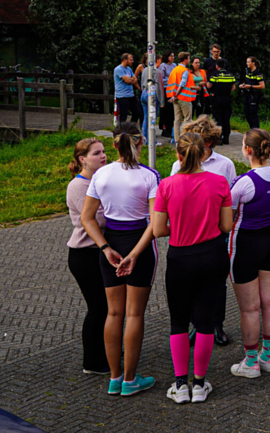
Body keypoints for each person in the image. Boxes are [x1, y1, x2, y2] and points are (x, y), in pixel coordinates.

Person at [152, 132, 232, 404]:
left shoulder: (166, 185)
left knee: (178, 321)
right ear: (203, 154)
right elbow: (226, 226)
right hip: (213, 256)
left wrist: (179, 226)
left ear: (179, 154)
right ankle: (199, 385)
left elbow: (157, 229)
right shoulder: (220, 182)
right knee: (205, 321)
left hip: (180, 258)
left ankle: (180, 385)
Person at [80, 122, 159, 397]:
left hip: (111, 245)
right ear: (141, 142)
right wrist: (134, 254)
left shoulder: (100, 174)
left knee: (113, 313)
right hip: (140, 246)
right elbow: (155, 223)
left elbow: (87, 218)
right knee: (134, 314)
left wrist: (105, 248)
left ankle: (115, 378)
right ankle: (130, 380)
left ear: (114, 145)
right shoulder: (149, 175)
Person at [170, 115, 237, 346]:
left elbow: (230, 201)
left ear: (209, 142)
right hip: (188, 230)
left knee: (217, 282)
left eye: (199, 140)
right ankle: (196, 325)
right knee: (189, 283)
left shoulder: (225, 165)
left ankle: (216, 324)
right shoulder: (177, 166)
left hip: (216, 230)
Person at [228, 129, 270, 379]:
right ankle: (268, 356)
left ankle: (251, 362)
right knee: (269, 302)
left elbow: (226, 218)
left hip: (246, 245)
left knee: (250, 308)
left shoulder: (244, 182)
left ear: (248, 150)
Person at [66, 137, 110, 375]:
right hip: (85, 255)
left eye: (103, 151)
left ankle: (106, 350)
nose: (103, 156)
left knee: (109, 307)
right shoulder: (78, 186)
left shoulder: (100, 180)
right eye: (96, 153)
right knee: (98, 307)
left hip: (100, 252)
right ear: (82, 159)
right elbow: (97, 218)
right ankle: (92, 362)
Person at [166, 52, 197, 144]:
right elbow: (182, 84)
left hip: (175, 98)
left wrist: (174, 96)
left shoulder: (175, 69)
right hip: (184, 97)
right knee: (188, 119)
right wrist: (176, 95)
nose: (189, 60)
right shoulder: (185, 71)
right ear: (185, 60)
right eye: (189, 58)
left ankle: (177, 141)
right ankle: (186, 140)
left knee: (177, 120)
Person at [208, 60, 236, 145]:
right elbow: (233, 87)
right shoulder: (230, 75)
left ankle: (219, 138)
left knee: (217, 119)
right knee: (226, 118)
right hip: (227, 99)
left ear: (217, 66)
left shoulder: (215, 75)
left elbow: (209, 85)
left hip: (217, 99)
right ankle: (226, 138)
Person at [139, 54, 164, 147]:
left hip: (144, 93)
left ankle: (144, 139)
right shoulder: (157, 72)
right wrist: (162, 101)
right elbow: (159, 86)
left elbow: (142, 82)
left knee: (146, 117)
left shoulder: (145, 70)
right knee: (152, 118)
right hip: (152, 94)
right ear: (157, 60)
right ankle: (152, 140)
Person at [114, 53, 140, 125]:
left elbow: (135, 80)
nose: (132, 61)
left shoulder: (129, 69)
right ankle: (121, 129)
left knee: (137, 112)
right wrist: (130, 80)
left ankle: (131, 126)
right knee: (124, 115)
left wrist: (131, 80)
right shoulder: (118, 69)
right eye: (131, 60)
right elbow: (128, 81)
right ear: (125, 60)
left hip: (130, 94)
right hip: (122, 95)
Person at [239, 57, 265, 129]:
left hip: (254, 96)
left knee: (253, 114)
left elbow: (262, 86)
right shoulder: (248, 72)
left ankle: (256, 130)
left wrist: (250, 86)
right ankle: (252, 129)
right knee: (247, 113)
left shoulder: (258, 73)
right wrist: (243, 85)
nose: (247, 64)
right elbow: (248, 82)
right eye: (246, 62)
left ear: (253, 63)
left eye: (248, 62)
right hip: (247, 95)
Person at [158, 51, 176, 138]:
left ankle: (171, 128)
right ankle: (165, 128)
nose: (172, 57)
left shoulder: (174, 65)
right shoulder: (163, 66)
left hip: (173, 88)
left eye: (173, 56)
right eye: (171, 56)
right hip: (166, 88)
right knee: (166, 109)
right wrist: (171, 79)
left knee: (172, 110)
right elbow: (161, 78)